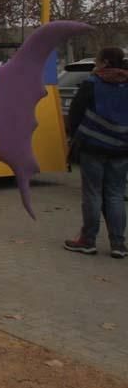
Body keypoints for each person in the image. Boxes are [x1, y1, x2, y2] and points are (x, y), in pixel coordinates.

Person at [63, 47, 128, 258]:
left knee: (92, 194)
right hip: (120, 148)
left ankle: (88, 240)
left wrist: (74, 137)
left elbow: (75, 114)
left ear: (106, 62)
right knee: (115, 194)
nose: (95, 65)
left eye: (98, 61)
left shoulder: (92, 83)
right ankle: (118, 244)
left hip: (93, 146)